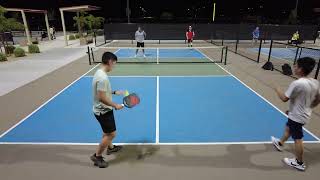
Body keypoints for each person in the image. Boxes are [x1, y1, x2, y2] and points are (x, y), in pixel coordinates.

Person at [271, 57, 320, 171]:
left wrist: (277, 89)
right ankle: (280, 143)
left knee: (298, 138)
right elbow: (318, 98)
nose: (294, 67)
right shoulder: (315, 82)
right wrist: (308, 107)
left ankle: (299, 162)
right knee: (289, 128)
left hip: (297, 117)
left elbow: (284, 98)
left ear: (301, 69)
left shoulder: (297, 83)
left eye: (296, 66)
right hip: (302, 114)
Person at [90, 52, 125, 168]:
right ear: (110, 62)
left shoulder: (98, 72)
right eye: (114, 64)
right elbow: (101, 98)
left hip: (100, 110)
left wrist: (114, 92)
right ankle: (97, 156)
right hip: (103, 111)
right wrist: (115, 105)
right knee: (111, 134)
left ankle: (110, 148)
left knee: (107, 132)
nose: (114, 66)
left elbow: (101, 91)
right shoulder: (103, 78)